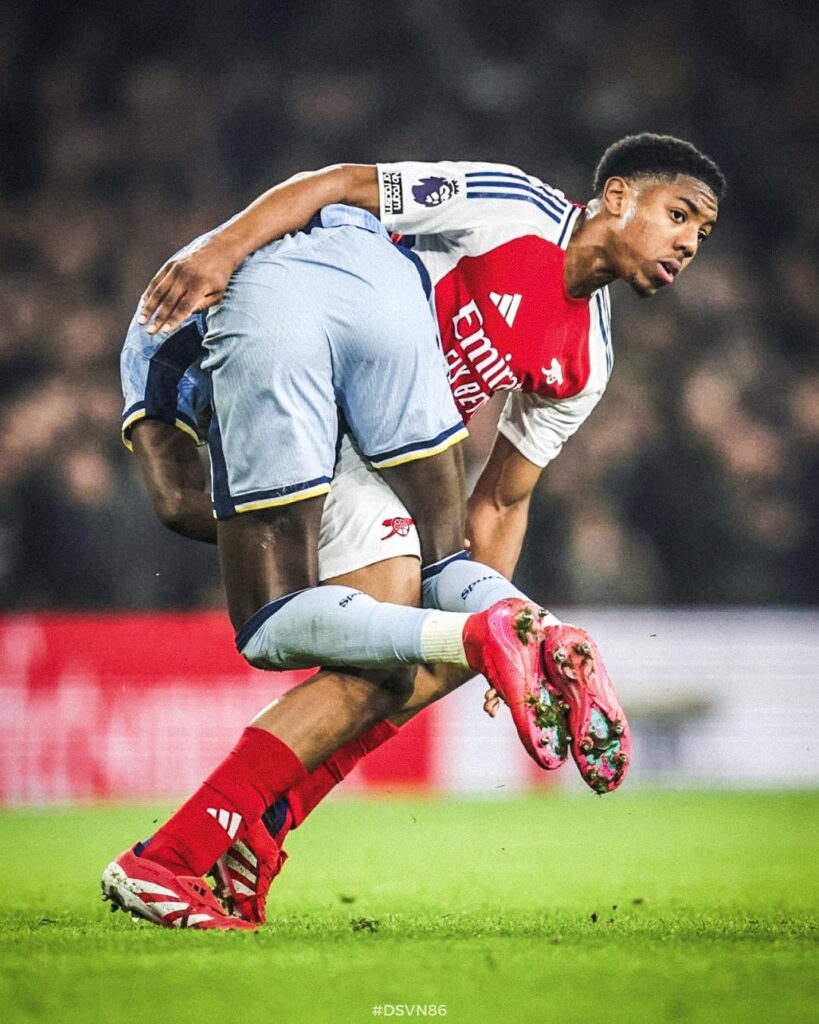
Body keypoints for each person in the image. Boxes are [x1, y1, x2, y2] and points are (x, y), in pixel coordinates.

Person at [106, 134, 724, 929]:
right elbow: (340, 183)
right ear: (616, 197)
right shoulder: (511, 208)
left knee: (415, 659)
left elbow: (501, 502)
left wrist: (483, 624)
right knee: (390, 646)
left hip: (376, 458)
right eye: (679, 215)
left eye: (701, 234)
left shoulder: (586, 361)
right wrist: (224, 250)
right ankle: (201, 849)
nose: (688, 243)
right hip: (325, 386)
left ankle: (226, 840)